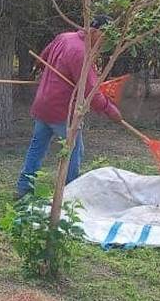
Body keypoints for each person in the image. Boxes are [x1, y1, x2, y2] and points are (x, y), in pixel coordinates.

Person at [16, 16, 122, 198]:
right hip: (62, 111)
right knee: (73, 151)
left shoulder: (65, 37)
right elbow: (91, 91)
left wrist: (44, 69)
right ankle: (71, 192)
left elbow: (43, 58)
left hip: (43, 103)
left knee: (37, 147)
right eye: (105, 36)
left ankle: (24, 188)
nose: (106, 42)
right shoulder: (81, 53)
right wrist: (109, 109)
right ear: (95, 31)